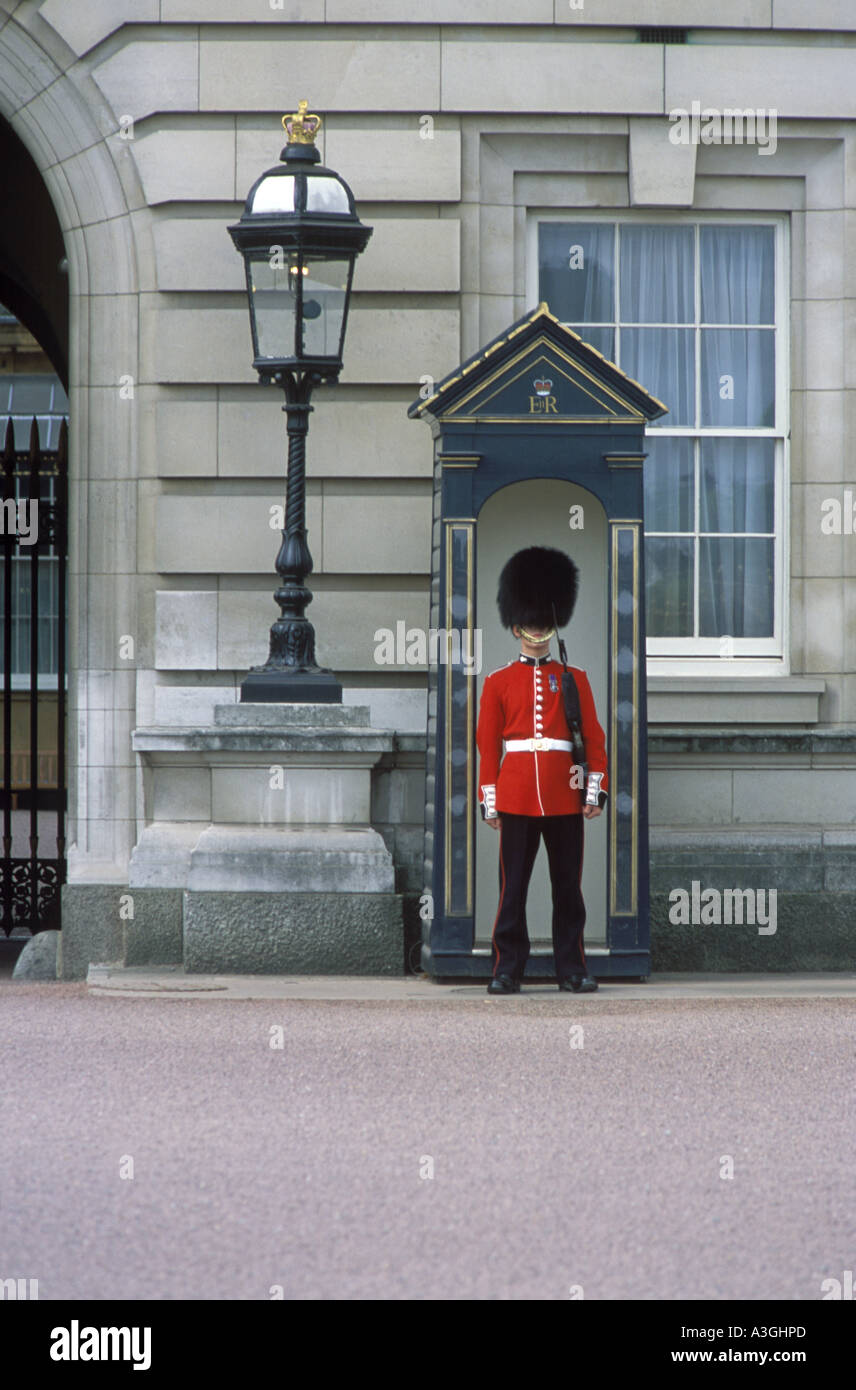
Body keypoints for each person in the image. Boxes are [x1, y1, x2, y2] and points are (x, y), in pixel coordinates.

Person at [476, 546, 608, 995]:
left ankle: (570, 968)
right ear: (517, 625)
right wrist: (489, 799)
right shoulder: (497, 682)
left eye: (541, 620)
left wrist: (594, 790)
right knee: (511, 891)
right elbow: (487, 746)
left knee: (567, 890)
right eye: (529, 622)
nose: (535, 629)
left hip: (563, 794)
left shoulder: (575, 678)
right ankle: (507, 968)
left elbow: (593, 738)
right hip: (514, 796)